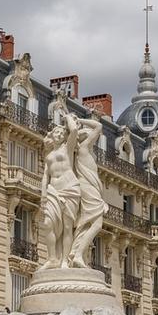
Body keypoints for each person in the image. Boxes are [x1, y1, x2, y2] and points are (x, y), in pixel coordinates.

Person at [40, 114, 81, 269]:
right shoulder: (48, 155)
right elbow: (45, 175)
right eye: (55, 132)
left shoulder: (68, 148)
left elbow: (75, 130)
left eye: (61, 133)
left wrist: (68, 117)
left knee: (68, 227)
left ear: (64, 137)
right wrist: (43, 194)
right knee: (48, 224)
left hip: (70, 188)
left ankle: (65, 260)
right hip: (53, 191)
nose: (58, 135)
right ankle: (52, 258)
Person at [68, 118, 109, 268]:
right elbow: (98, 126)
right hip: (88, 188)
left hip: (89, 188)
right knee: (97, 224)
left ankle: (74, 252)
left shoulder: (84, 152)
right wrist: (80, 120)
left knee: (84, 224)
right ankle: (78, 254)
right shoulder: (84, 148)